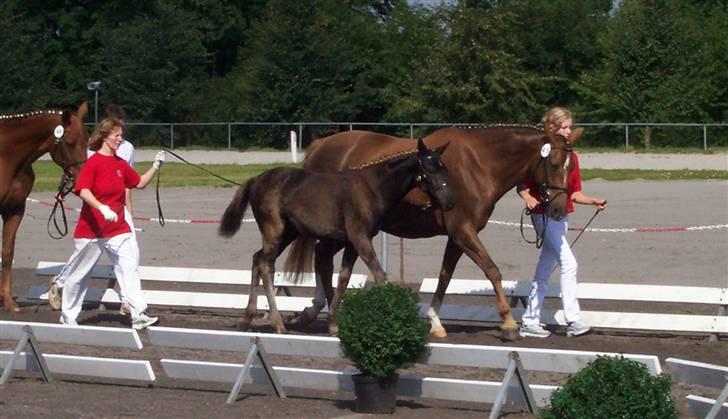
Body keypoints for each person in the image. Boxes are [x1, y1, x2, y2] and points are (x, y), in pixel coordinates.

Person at [58, 116, 165, 329]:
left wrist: (155, 166)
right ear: (105, 137)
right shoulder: (93, 163)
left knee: (129, 267)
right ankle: (68, 314)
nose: (120, 140)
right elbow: (83, 190)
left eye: (121, 136)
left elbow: (139, 183)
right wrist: (101, 207)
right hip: (92, 229)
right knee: (79, 275)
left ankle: (138, 313)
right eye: (117, 136)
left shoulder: (120, 164)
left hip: (118, 228)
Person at [517, 106, 607, 338]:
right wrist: (527, 197)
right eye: (564, 127)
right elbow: (523, 185)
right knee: (569, 264)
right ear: (553, 127)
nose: (568, 131)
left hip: (561, 217)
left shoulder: (571, 157)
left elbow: (575, 193)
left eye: (569, 127)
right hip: (543, 216)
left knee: (545, 270)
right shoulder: (541, 153)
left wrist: (593, 201)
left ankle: (530, 320)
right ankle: (574, 320)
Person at [48, 105, 137, 316]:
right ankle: (60, 281)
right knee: (85, 255)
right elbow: (76, 171)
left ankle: (129, 302)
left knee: (128, 257)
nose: (119, 137)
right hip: (96, 210)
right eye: (116, 132)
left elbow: (127, 183)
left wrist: (128, 211)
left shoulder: (127, 149)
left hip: (117, 211)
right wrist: (63, 190)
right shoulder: (90, 151)